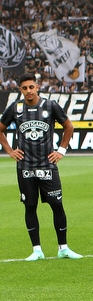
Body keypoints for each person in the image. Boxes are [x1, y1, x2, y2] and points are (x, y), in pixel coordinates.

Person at [0, 73, 83, 261]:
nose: (28, 91)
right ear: (20, 90)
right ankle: (37, 250)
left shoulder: (50, 106)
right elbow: (0, 129)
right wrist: (10, 151)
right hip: (25, 167)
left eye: (31, 87)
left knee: (57, 205)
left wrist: (61, 150)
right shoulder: (15, 108)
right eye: (24, 88)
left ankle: (63, 248)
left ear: (37, 87)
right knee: (30, 207)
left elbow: (68, 127)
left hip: (48, 165)